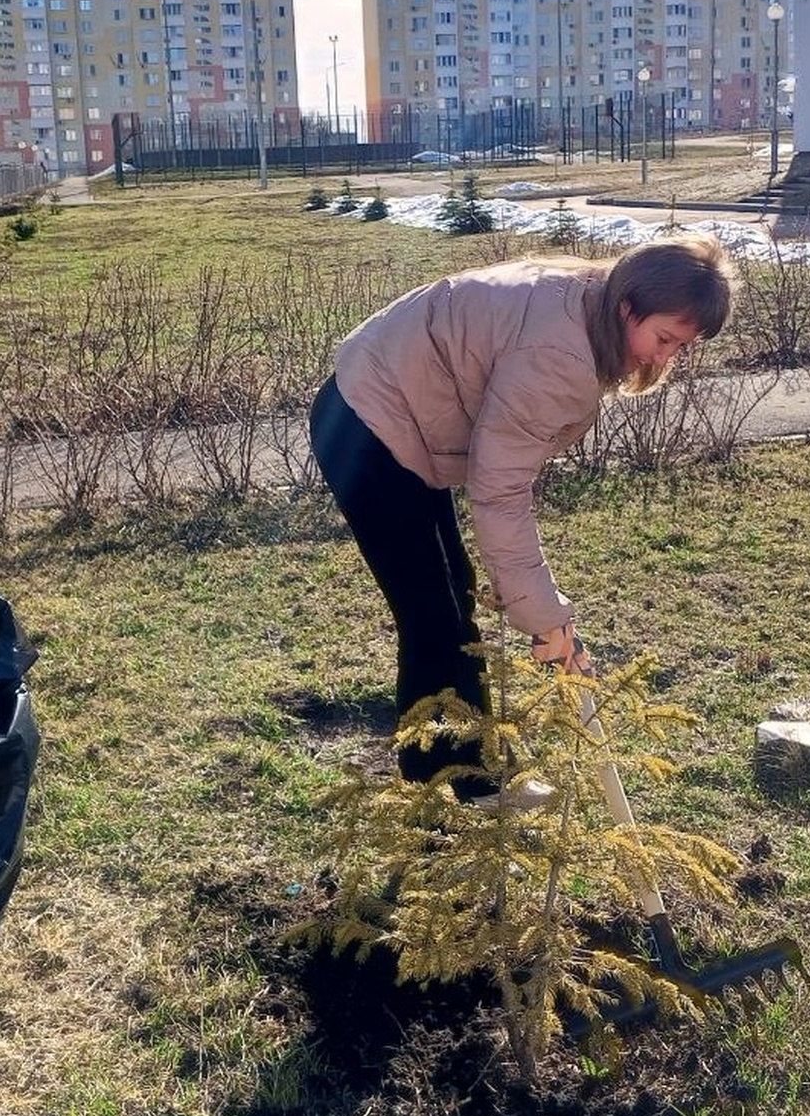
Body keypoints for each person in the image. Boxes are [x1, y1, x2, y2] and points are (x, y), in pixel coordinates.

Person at [310, 235, 738, 800]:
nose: (664, 359)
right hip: (368, 427)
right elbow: (500, 488)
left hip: (386, 408)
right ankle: (439, 792)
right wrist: (544, 619)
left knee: (451, 594)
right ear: (627, 306)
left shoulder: (588, 298)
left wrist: (542, 614)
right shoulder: (559, 356)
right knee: (432, 615)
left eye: (680, 348)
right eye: (663, 339)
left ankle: (476, 773)